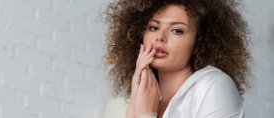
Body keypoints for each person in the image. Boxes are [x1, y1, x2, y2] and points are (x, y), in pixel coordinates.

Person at [103, 0, 251, 118]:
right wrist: (134, 103)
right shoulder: (144, 98)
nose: (160, 37)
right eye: (153, 27)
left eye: (177, 30)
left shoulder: (212, 85)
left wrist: (146, 115)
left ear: (199, 41)